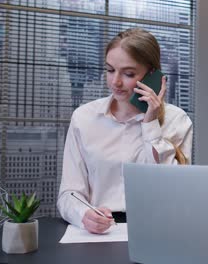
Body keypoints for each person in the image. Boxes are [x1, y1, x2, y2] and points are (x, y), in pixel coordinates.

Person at [57, 28, 193, 234]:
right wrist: (84, 215)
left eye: (128, 74)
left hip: (158, 230)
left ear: (152, 76)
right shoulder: (84, 118)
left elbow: (172, 192)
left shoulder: (177, 120)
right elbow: (69, 194)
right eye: (110, 70)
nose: (115, 82)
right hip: (100, 233)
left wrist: (150, 124)